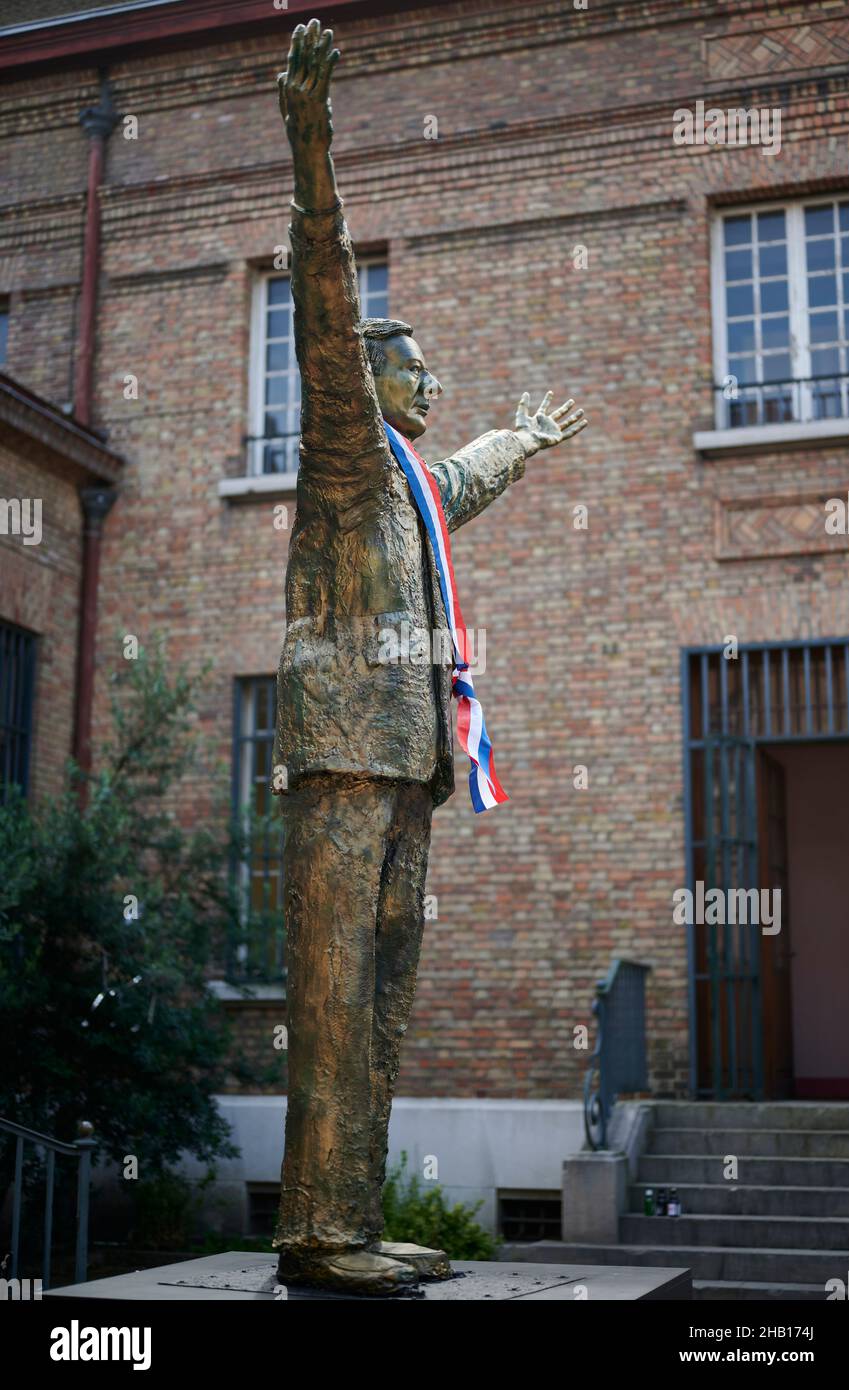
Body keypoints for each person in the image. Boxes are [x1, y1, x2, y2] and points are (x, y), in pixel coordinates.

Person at [272, 18, 587, 1296]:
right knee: (339, 997)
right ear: (366, 378)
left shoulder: (406, 484)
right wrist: (312, 149)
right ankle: (312, 1230)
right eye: (419, 369)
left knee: (385, 998)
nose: (433, 384)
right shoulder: (347, 451)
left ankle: (344, 1223)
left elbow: (462, 475)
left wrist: (521, 437)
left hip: (406, 765)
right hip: (345, 758)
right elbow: (326, 289)